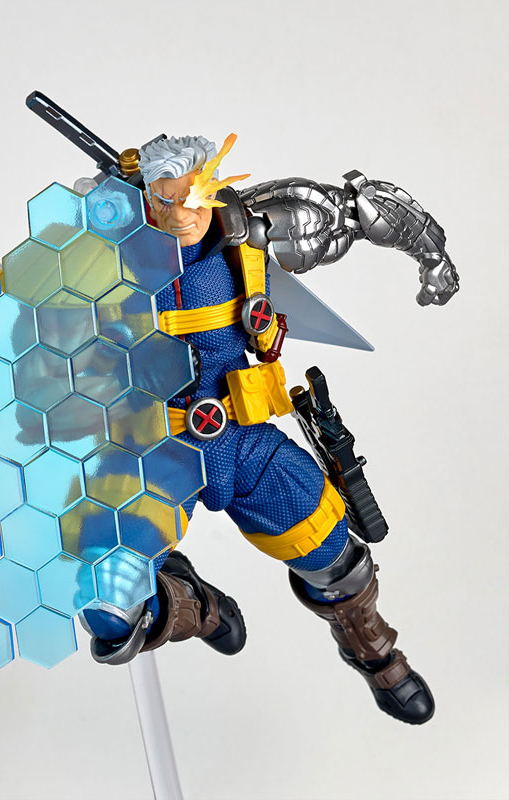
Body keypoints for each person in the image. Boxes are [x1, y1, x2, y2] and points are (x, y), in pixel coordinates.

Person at [82, 133, 459, 725]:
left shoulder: (247, 228)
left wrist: (430, 254)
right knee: (111, 611)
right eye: (165, 200)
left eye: (193, 196)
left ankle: (371, 647)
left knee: (335, 558)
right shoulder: (104, 255)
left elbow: (356, 210)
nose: (182, 214)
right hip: (153, 452)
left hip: (243, 442)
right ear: (144, 200)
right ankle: (195, 606)